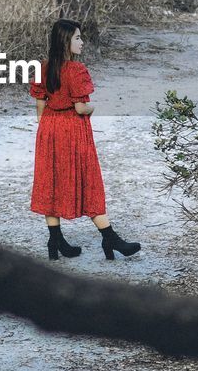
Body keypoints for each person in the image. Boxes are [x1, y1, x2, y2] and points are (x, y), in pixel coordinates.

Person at [29, 19, 141, 260]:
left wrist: (47, 128)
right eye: (77, 38)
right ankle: (110, 239)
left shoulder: (44, 67)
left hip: (49, 130)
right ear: (65, 41)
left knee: (52, 184)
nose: (82, 42)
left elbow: (40, 103)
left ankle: (55, 240)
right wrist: (93, 107)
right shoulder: (77, 71)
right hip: (72, 132)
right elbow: (80, 108)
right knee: (87, 182)